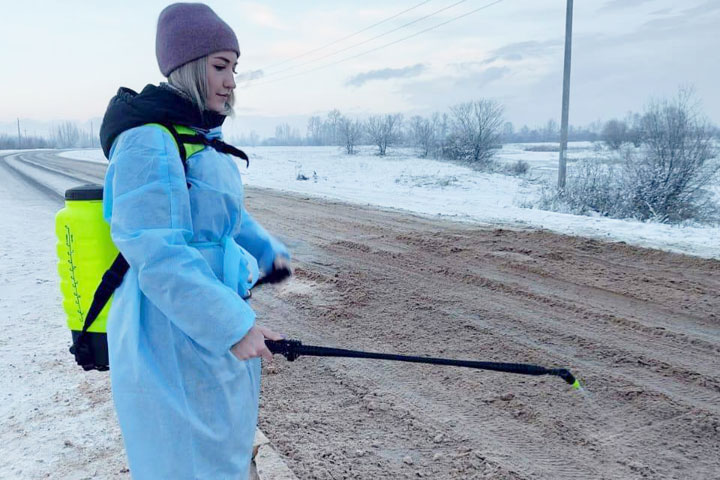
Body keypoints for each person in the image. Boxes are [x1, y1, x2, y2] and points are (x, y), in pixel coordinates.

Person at [98, 3, 290, 478]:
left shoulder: (197, 138)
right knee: (183, 462)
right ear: (185, 68)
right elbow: (157, 253)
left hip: (205, 325)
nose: (231, 81)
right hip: (165, 334)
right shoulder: (148, 141)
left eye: (235, 68)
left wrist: (267, 250)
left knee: (220, 454)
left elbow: (223, 216)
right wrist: (231, 324)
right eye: (219, 66)